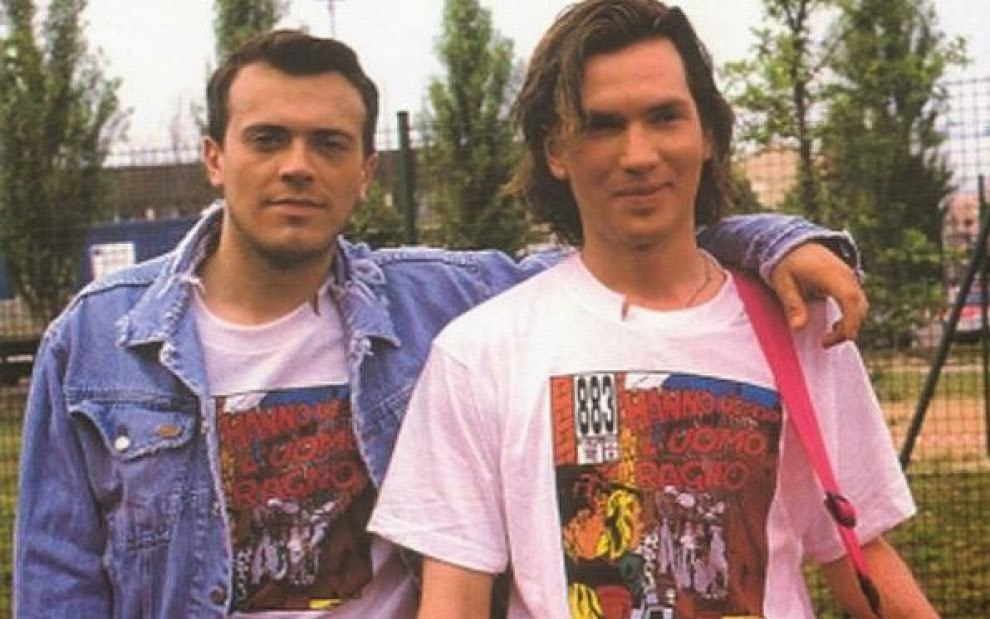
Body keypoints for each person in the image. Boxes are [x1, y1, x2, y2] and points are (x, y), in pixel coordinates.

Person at [13, 28, 864, 619]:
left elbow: (632, 246)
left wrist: (774, 239)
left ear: (366, 171)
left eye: (329, 144)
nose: (297, 167)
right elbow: (58, 580)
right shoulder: (95, 343)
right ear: (214, 157)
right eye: (267, 139)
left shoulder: (433, 302)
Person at [367, 2, 936, 618]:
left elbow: (860, 553)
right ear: (556, 150)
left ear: (707, 134)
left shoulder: (797, 324)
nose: (638, 155)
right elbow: (455, 601)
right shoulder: (479, 353)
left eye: (664, 117)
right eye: (603, 125)